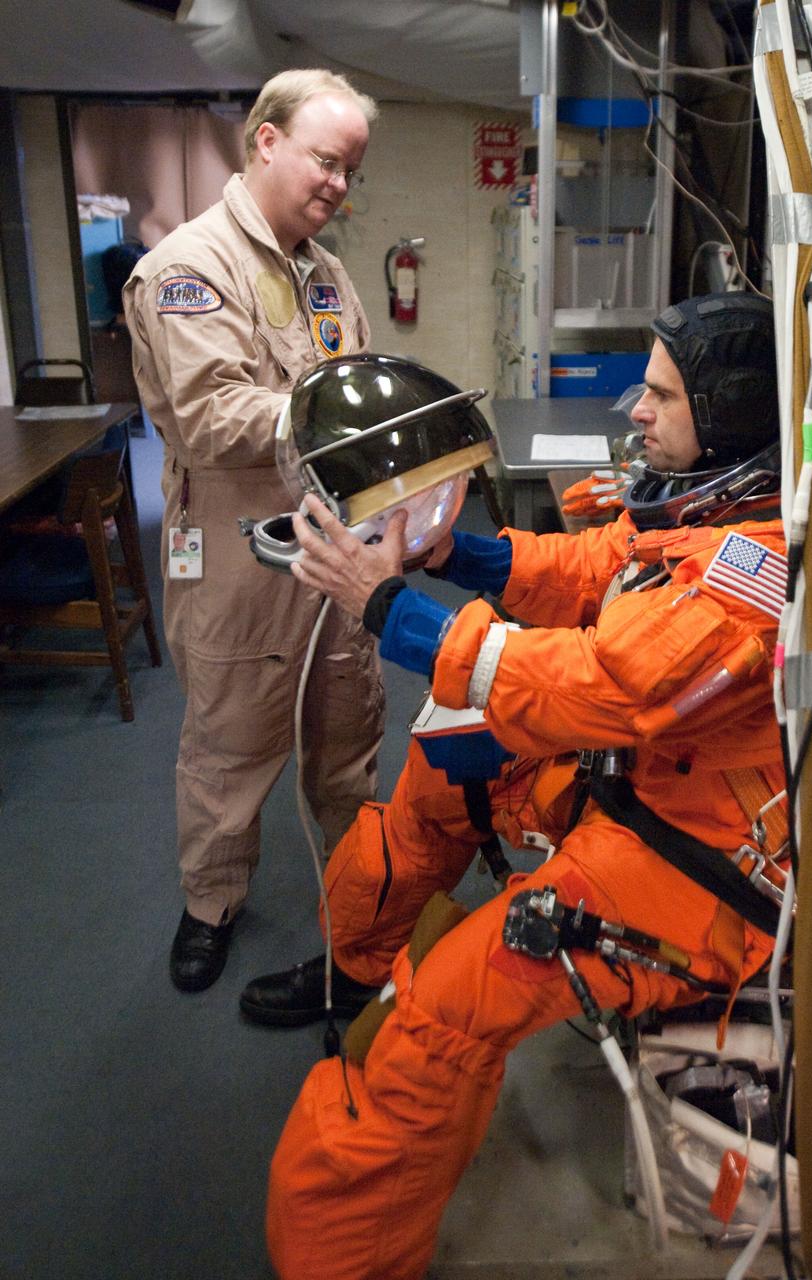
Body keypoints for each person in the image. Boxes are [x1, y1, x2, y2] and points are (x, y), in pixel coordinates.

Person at [253, 291, 788, 1280]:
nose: (635, 409)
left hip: (698, 866)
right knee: (438, 780)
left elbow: (603, 686)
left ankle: (341, 1260)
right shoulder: (706, 509)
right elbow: (596, 564)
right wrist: (453, 551)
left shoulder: (751, 572)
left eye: (661, 395)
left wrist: (392, 608)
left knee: (439, 1015)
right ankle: (353, 964)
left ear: (726, 413)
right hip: (640, 784)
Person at [123, 69, 383, 993]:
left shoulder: (324, 273)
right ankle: (211, 903)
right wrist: (339, 414)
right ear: (266, 141)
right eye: (326, 161)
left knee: (346, 726)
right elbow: (210, 417)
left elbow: (356, 375)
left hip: (329, 538)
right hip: (236, 551)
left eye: (351, 170)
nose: (339, 185)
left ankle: (358, 897)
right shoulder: (190, 269)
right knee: (230, 745)